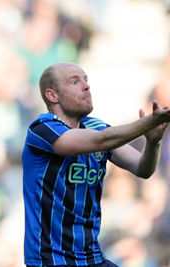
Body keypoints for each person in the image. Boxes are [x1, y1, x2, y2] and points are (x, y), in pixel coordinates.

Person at [22, 62, 170, 267]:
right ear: (52, 95)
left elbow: (143, 169)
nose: (86, 86)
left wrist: (153, 142)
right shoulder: (42, 129)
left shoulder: (96, 126)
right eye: (74, 81)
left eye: (86, 80)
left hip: (92, 258)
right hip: (51, 260)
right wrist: (148, 122)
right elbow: (100, 141)